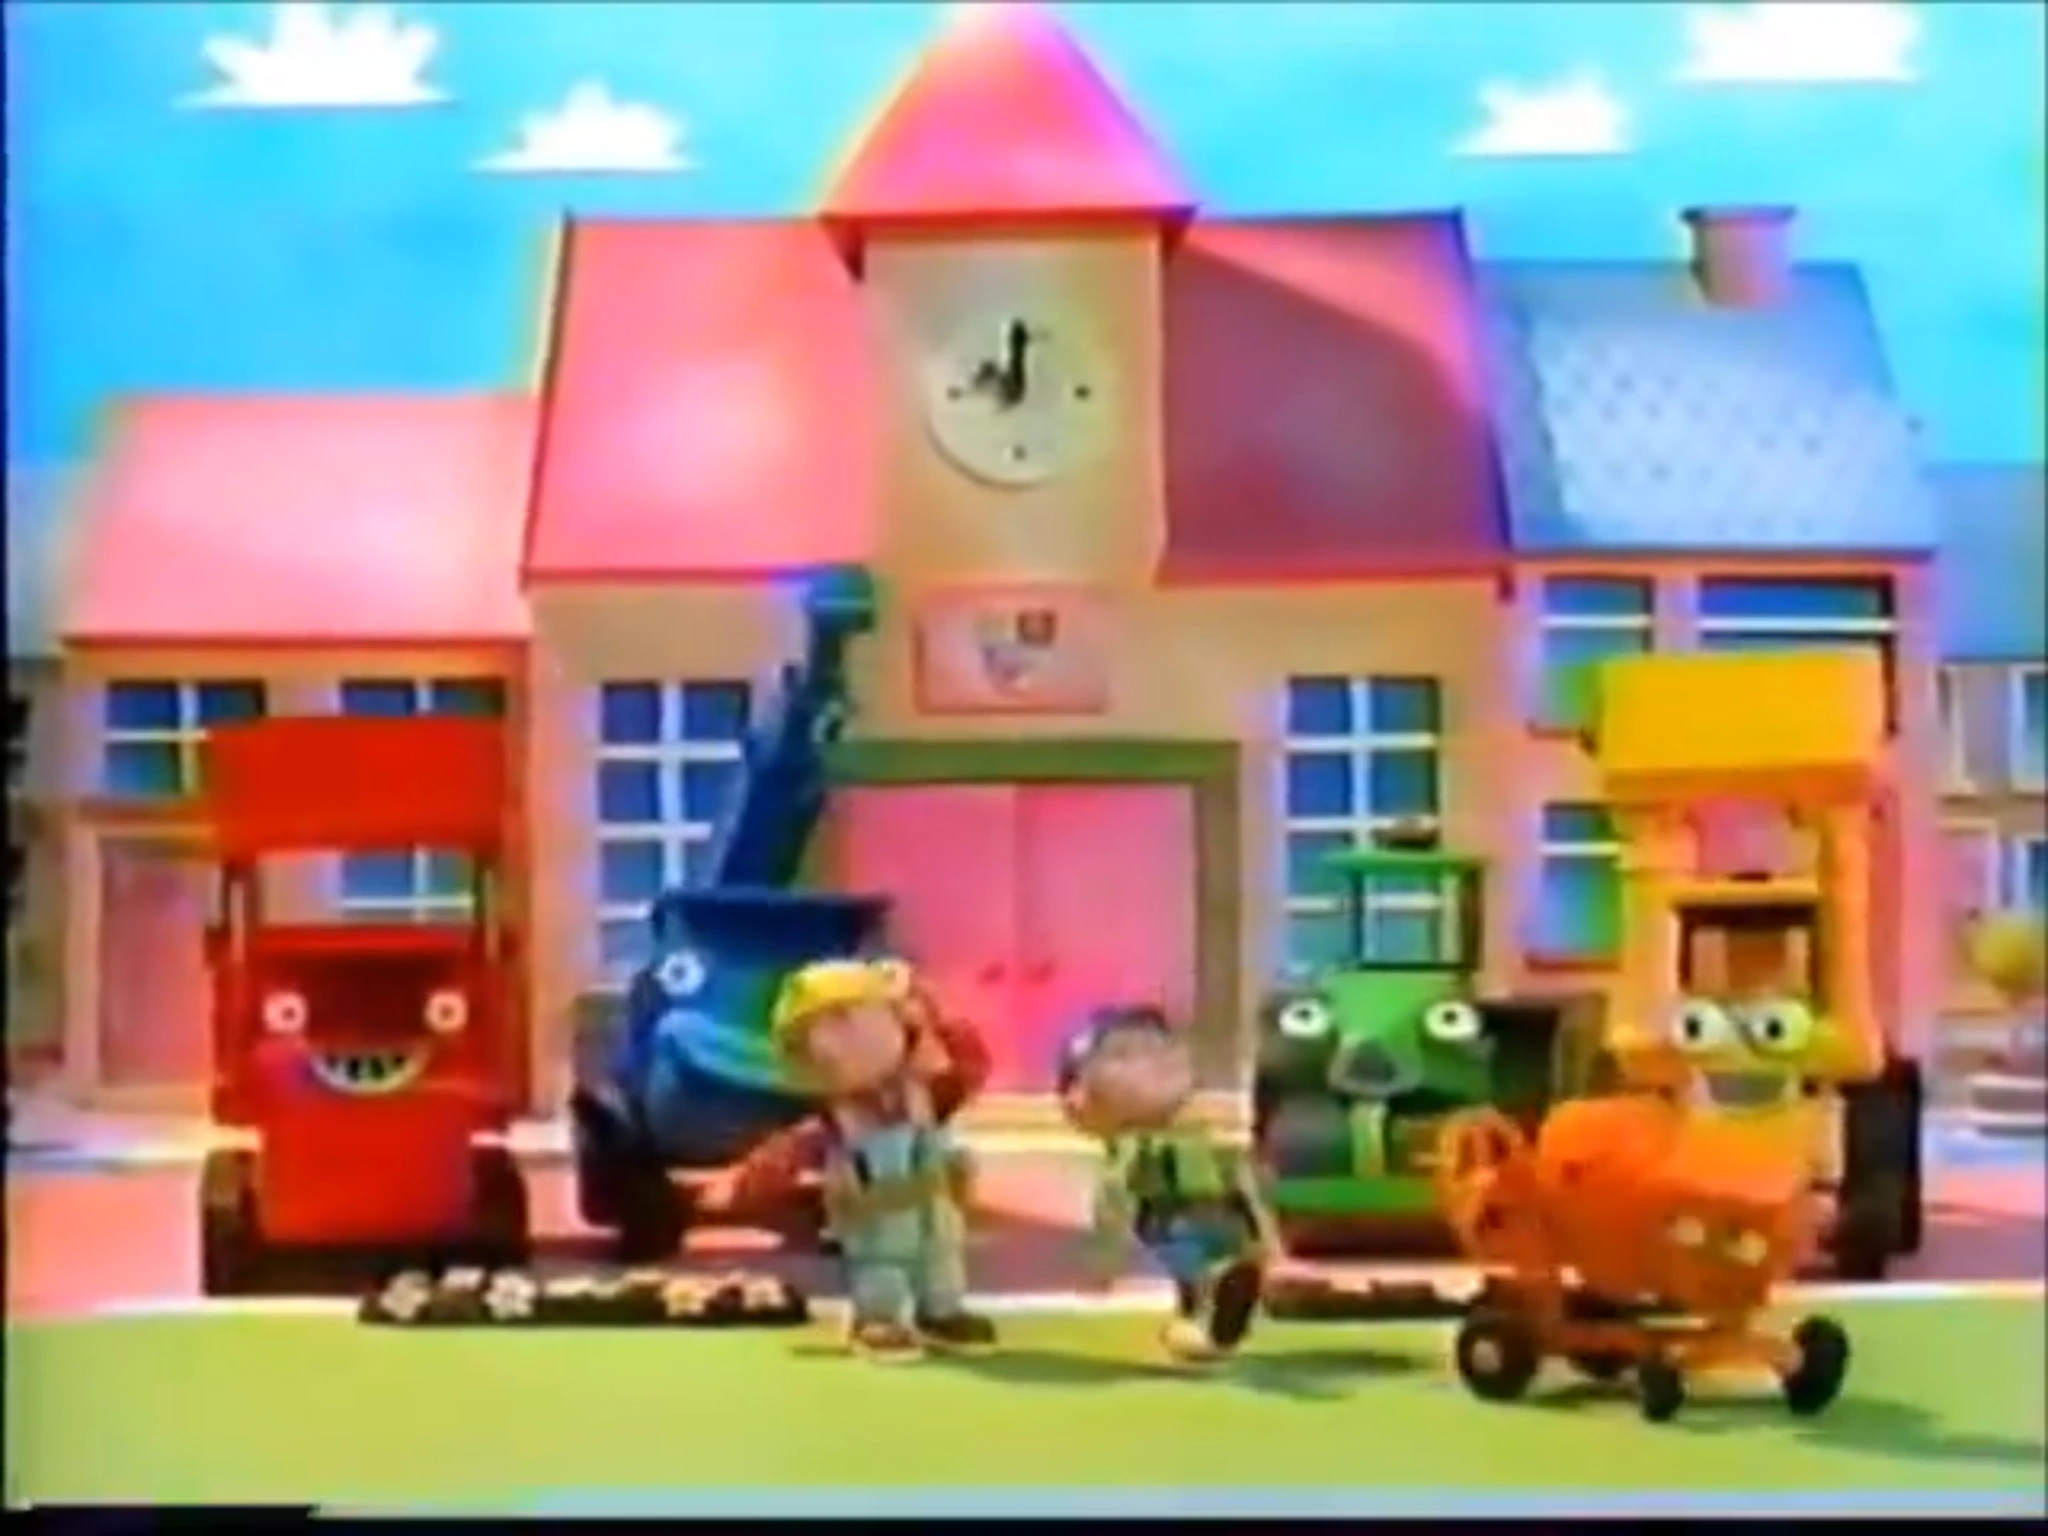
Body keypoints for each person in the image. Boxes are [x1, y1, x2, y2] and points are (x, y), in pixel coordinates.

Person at [696, 957, 998, 1361]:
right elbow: (791, 1151)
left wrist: (929, 1025)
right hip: (876, 1213)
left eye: (844, 1020)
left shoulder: (930, 1088)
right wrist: (742, 1183)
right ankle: (879, 1317)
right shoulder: (843, 1115)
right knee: (881, 1261)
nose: (827, 1046)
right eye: (809, 1037)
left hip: (936, 1206)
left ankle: (942, 1312)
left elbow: (970, 1064)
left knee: (941, 1255)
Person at [1059, 1005, 1280, 1364]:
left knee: (1194, 1262)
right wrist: (1264, 1232)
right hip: (1207, 1208)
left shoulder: (1143, 1143)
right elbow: (1240, 1173)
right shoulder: (1195, 1131)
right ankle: (1212, 1311)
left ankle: (1210, 1309)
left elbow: (1114, 1196)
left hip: (1172, 1213)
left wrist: (1105, 1260)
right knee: (1213, 1259)